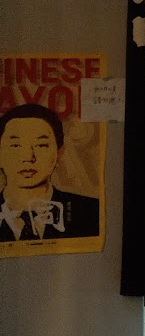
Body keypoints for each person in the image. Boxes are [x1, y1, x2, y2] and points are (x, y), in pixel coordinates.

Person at [0, 103, 100, 242]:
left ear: (59, 153)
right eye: (15, 145)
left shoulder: (93, 212)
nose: (28, 157)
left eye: (41, 145)